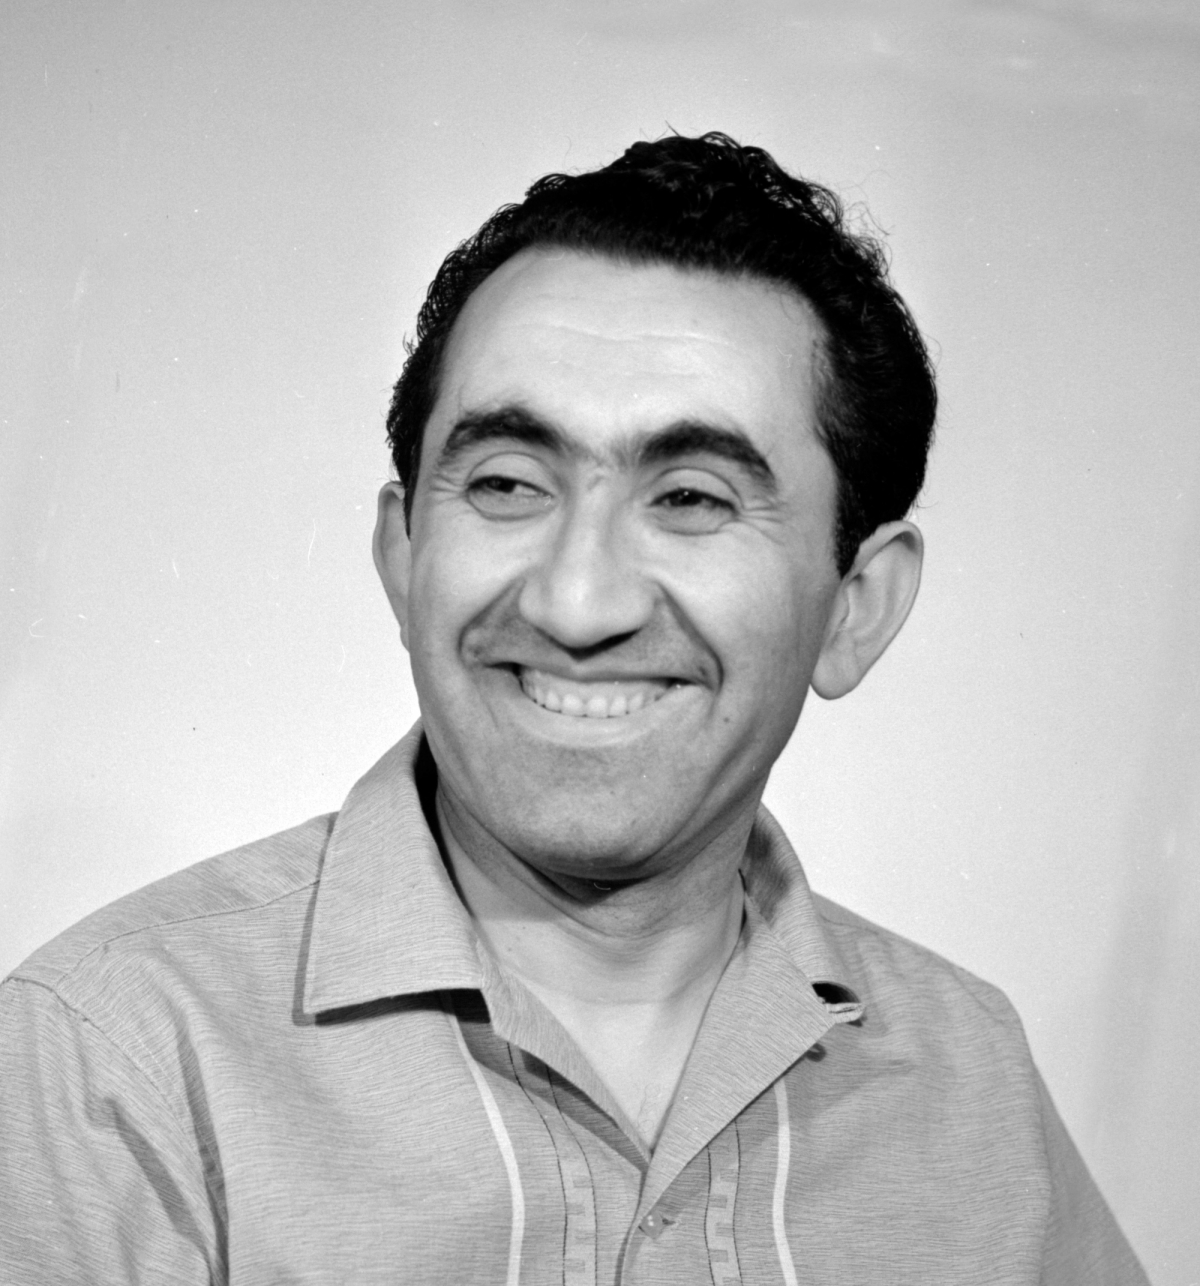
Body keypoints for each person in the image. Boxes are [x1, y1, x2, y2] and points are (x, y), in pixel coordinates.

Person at [0, 133, 1148, 1284]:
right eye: (507, 483)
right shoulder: (114, 1064)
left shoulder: (971, 1082)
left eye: (691, 497)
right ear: (404, 554)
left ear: (856, 605)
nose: (576, 600)